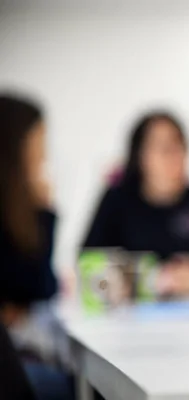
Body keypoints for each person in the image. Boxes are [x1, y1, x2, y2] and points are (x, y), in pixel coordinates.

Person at [82, 111, 189, 296]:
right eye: (164, 149)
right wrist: (147, 279)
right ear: (140, 155)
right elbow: (86, 269)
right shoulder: (117, 199)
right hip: (127, 315)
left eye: (180, 147)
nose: (174, 156)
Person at [0, 94, 73, 399]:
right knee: (70, 385)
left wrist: (44, 212)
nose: (43, 154)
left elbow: (41, 287)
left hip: (15, 347)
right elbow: (38, 286)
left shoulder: (17, 210)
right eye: (39, 140)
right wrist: (45, 213)